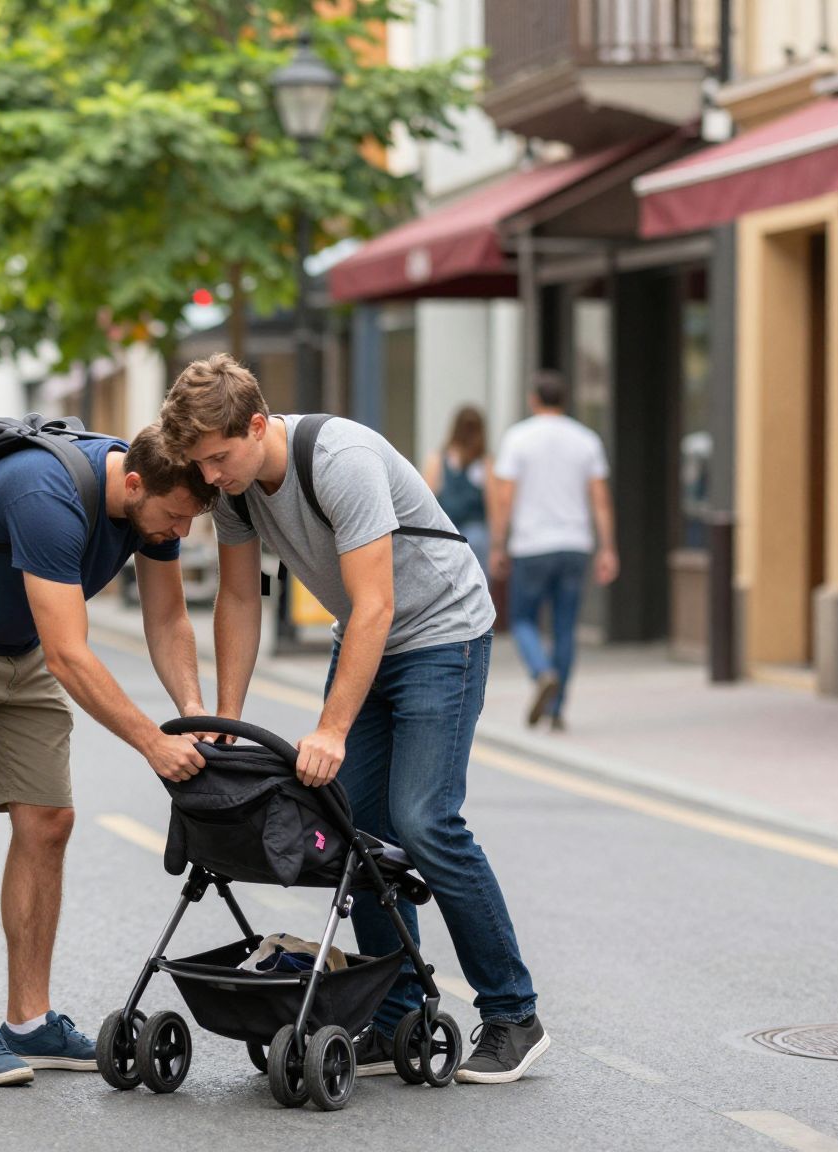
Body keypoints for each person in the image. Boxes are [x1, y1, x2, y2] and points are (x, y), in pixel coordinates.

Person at [159, 353, 548, 1086]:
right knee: (358, 834)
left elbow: (377, 604)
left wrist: (331, 729)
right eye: (199, 465)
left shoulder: (339, 460)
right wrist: (227, 720)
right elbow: (241, 602)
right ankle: (397, 1015)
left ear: (256, 424)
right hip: (369, 639)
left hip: (441, 631)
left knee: (425, 819)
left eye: (218, 458)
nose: (210, 478)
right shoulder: (236, 491)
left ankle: (512, 1015)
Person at [0, 425, 215, 1087]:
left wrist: (196, 719)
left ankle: (29, 1022)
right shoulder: (49, 494)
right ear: (132, 485)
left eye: (190, 519)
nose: (179, 530)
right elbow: (70, 654)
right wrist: (152, 742)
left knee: (48, 821)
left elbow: (168, 618)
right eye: (176, 516)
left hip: (23, 646)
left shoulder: (154, 508)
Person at [488, 370, 618, 732]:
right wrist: (607, 547)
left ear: (534, 399)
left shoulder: (518, 438)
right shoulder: (586, 439)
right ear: (565, 399)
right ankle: (557, 708)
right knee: (565, 628)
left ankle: (541, 671)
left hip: (531, 545)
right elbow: (601, 500)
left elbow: (505, 496)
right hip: (575, 544)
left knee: (523, 619)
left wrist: (499, 543)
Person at [423, 405, 491, 573]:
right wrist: (498, 545)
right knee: (478, 586)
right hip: (477, 533)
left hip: (446, 533)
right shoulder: (485, 463)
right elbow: (495, 504)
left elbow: (426, 499)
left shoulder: (438, 459)